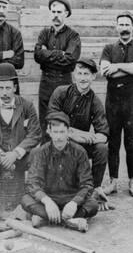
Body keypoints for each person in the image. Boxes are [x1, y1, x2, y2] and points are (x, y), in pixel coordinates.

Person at [0, 62, 41, 207]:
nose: (4, 93)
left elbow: (35, 134)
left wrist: (16, 153)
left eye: (8, 88)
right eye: (1, 88)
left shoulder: (27, 106)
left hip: (20, 156)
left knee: (40, 154)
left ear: (15, 88)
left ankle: (36, 196)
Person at [100, 11, 133, 197]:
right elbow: (105, 71)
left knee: (131, 142)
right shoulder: (108, 48)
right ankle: (113, 182)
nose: (123, 28)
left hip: (132, 101)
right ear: (116, 27)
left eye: (126, 25)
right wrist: (130, 70)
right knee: (113, 142)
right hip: (113, 101)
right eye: (120, 24)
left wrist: (118, 66)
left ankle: (132, 182)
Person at [48, 58, 111, 210]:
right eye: (80, 73)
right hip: (58, 141)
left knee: (102, 148)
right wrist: (75, 133)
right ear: (74, 75)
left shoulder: (95, 101)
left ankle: (95, 188)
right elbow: (52, 120)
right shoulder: (61, 92)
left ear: (93, 77)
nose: (83, 78)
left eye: (87, 74)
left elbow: (103, 134)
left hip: (80, 146)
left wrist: (82, 136)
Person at [21, 112, 99, 232]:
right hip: (49, 198)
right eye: (55, 132)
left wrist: (74, 203)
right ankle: (69, 221)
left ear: (68, 132)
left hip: (71, 197)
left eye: (62, 132)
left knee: (93, 205)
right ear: (49, 132)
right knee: (25, 200)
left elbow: (87, 184)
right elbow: (33, 183)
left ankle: (44, 219)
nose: (59, 137)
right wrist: (47, 202)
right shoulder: (40, 152)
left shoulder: (79, 152)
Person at [34, 0, 81, 141]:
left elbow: (70, 58)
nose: (55, 15)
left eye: (59, 12)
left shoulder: (73, 36)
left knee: (64, 124)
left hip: (64, 84)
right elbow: (37, 55)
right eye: (53, 11)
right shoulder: (44, 33)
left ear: (66, 14)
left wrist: (46, 53)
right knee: (45, 125)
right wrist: (59, 53)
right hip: (45, 83)